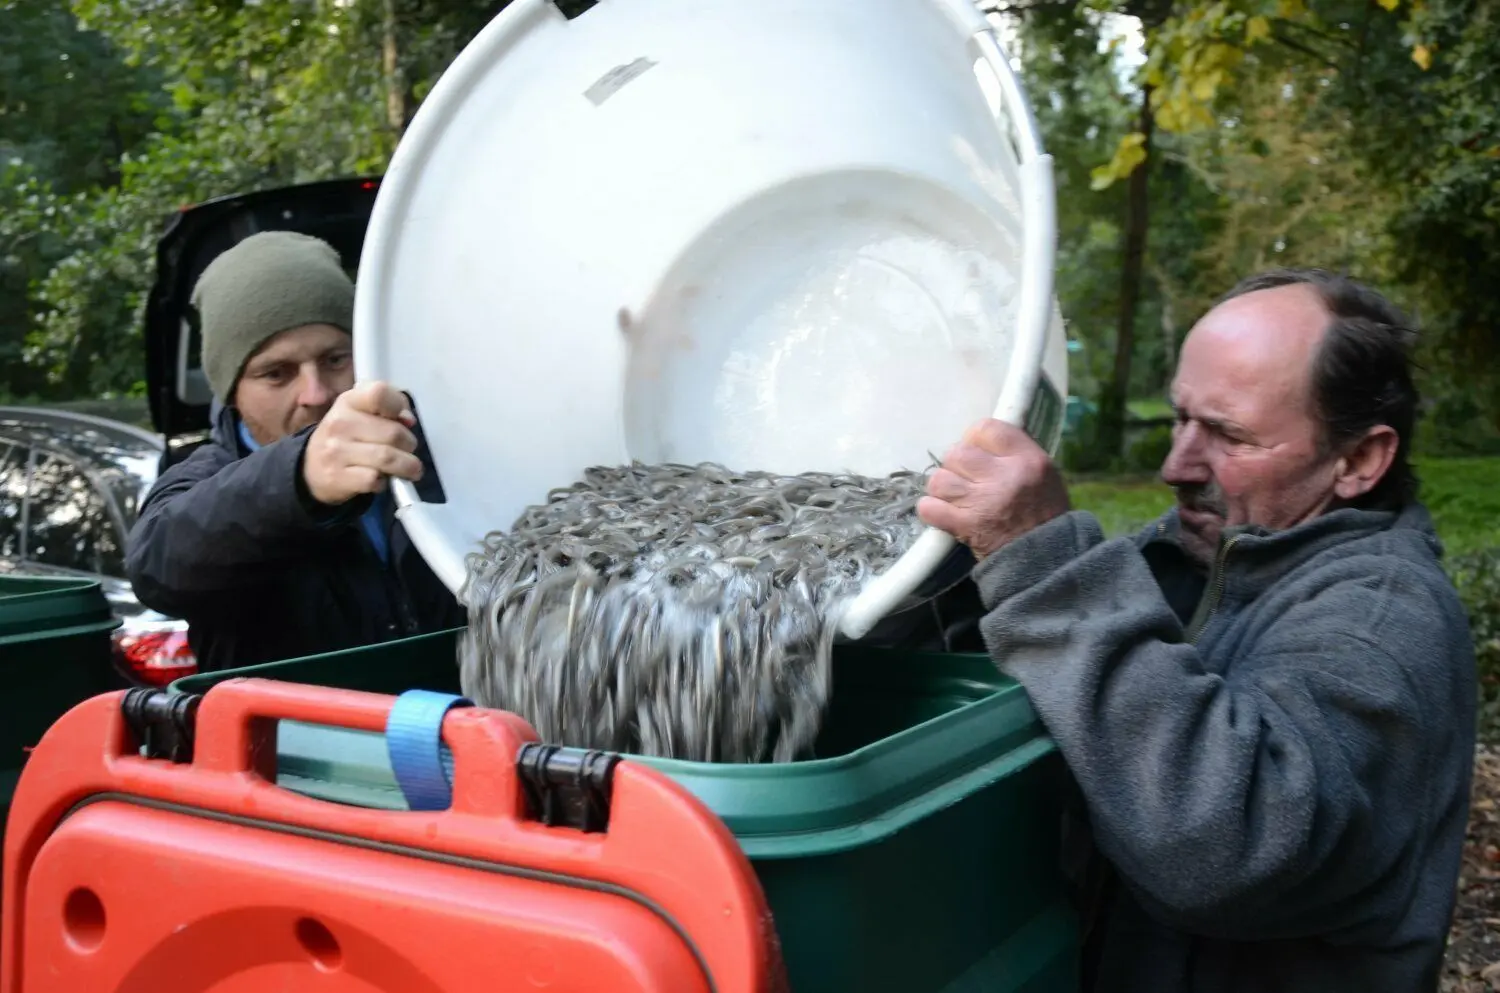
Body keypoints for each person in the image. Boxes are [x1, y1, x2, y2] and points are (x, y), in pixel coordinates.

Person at [918, 268, 1475, 993]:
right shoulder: (1195, 555)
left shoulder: (1383, 620)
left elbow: (1223, 848)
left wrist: (1048, 570)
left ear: (1359, 460)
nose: (1175, 465)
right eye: (1181, 418)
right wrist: (935, 567)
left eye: (1227, 434)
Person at [126, 230, 463, 671]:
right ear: (231, 392)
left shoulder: (430, 448)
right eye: (277, 373)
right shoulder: (203, 478)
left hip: (468, 730)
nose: (317, 393)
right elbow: (156, 564)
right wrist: (299, 479)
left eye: (336, 359)